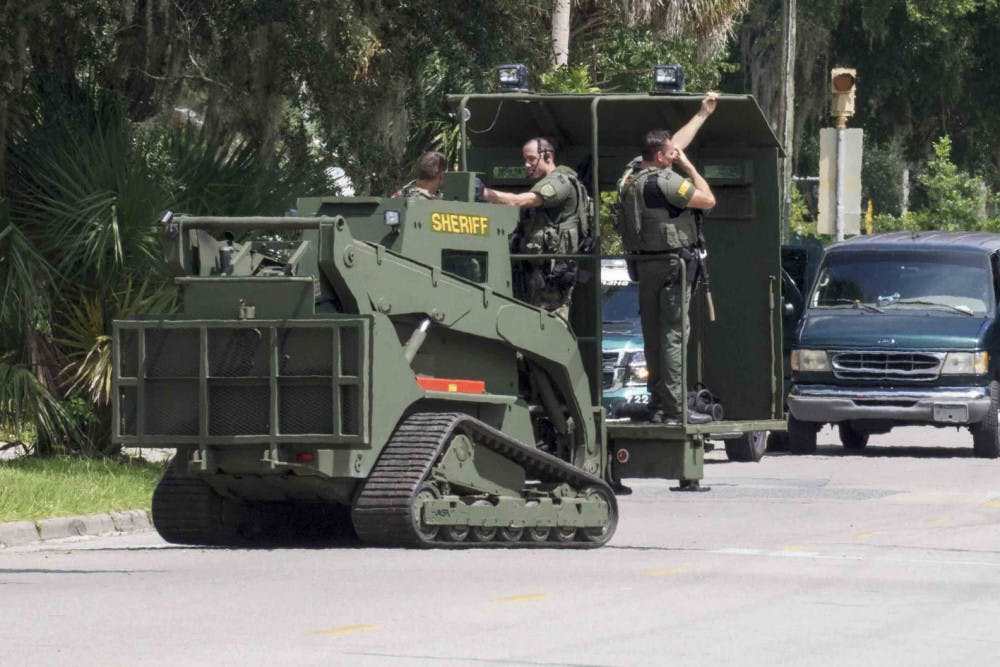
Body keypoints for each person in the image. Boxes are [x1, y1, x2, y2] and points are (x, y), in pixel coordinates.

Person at [617, 93, 718, 424]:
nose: (676, 155)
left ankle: (659, 404)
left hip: (645, 266)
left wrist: (702, 114)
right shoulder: (667, 181)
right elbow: (708, 200)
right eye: (671, 154)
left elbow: (674, 143)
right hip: (673, 267)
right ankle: (676, 408)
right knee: (674, 336)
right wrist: (688, 167)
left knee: (653, 338)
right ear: (661, 157)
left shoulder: (631, 175)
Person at [482, 138, 590, 321]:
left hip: (551, 272)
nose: (527, 164)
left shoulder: (559, 182)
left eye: (531, 159)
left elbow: (520, 201)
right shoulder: (553, 180)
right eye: (525, 159)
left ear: (548, 156)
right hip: (541, 269)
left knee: (549, 322)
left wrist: (484, 193)